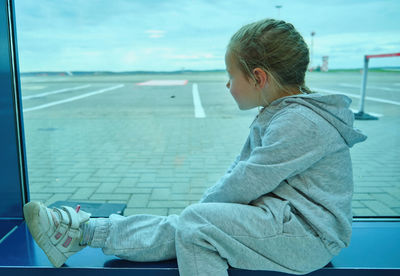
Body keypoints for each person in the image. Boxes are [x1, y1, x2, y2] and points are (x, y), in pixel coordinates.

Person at [23, 18, 367, 275]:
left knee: (197, 224)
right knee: (193, 220)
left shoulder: (299, 122)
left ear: (259, 78)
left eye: (232, 75)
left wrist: (199, 211)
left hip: (309, 237)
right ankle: (81, 232)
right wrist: (199, 211)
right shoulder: (276, 113)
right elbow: (240, 171)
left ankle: (83, 231)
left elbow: (248, 181)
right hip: (280, 221)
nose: (227, 84)